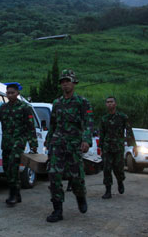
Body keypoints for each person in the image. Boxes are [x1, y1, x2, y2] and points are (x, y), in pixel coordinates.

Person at [45, 69, 94, 222]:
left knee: (77, 177)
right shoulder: (57, 103)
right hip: (57, 144)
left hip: (74, 145)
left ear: (74, 83)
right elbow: (53, 123)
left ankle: (80, 196)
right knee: (54, 175)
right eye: (62, 82)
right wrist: (48, 140)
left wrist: (86, 140)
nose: (65, 84)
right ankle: (57, 210)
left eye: (67, 81)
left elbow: (88, 123)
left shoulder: (82, 102)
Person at [0, 82, 38, 207]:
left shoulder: (25, 107)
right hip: (6, 142)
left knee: (13, 165)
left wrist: (33, 143)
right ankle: (17, 192)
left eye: (12, 92)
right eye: (8, 93)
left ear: (18, 93)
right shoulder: (3, 108)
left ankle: (12, 194)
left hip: (19, 142)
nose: (10, 95)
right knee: (7, 168)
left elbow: (30, 126)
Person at [99, 96, 136, 199]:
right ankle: (108, 191)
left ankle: (120, 181)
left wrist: (133, 145)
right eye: (107, 102)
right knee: (106, 169)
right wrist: (100, 148)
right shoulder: (104, 119)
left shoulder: (122, 117)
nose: (109, 104)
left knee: (118, 169)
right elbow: (101, 134)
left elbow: (129, 130)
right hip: (107, 148)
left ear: (115, 104)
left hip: (118, 148)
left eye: (111, 102)